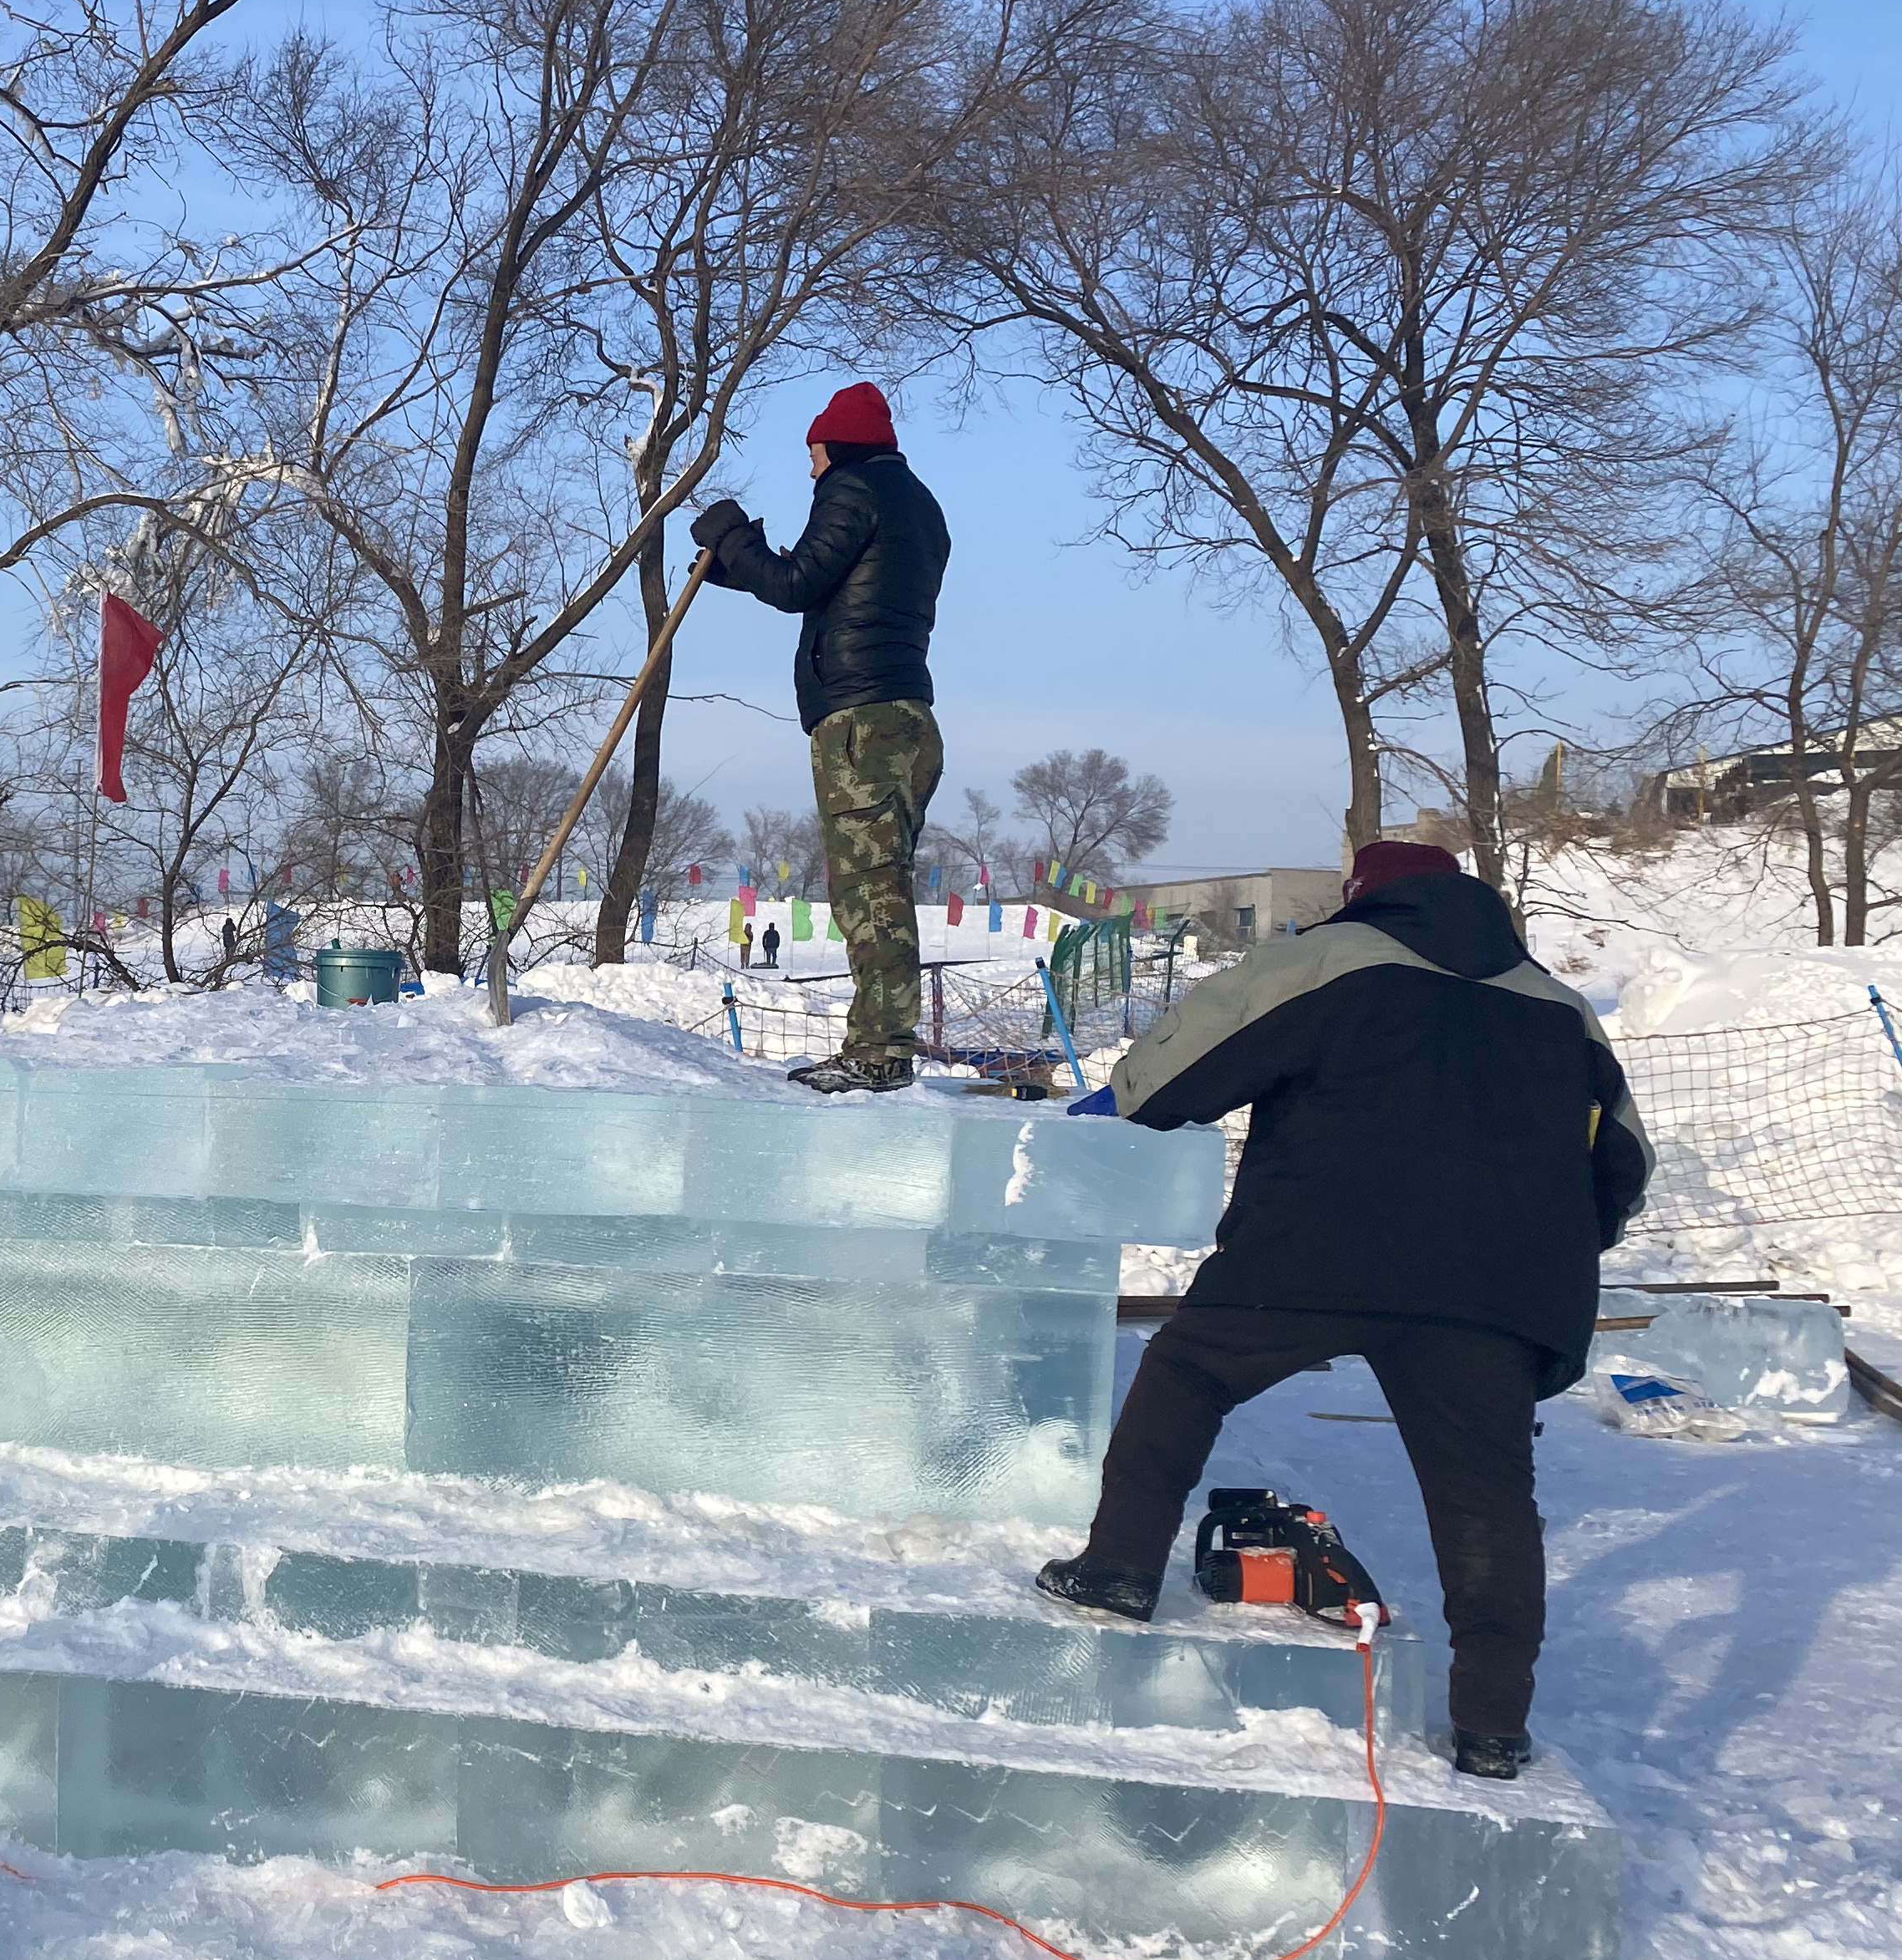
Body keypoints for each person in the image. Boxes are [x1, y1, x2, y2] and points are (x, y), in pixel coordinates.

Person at [1034, 840, 1652, 1779]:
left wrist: (1119, 1099)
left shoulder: (1325, 959)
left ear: (1367, 897)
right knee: (1486, 1497)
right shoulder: (1561, 1008)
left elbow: (1175, 1073)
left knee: (1190, 1372)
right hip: (1494, 1289)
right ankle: (1492, 1725)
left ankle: (1119, 1569)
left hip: (1317, 1251)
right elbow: (1624, 1167)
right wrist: (1537, 1255)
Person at [691, 382, 950, 1092]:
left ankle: (881, 1054)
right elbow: (833, 582)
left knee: (869, 890)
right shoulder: (916, 504)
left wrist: (732, 535)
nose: (811, 471)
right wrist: (736, 570)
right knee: (880, 882)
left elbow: (798, 584)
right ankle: (881, 1046)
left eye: (813, 456)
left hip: (860, 719)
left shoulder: (852, 490)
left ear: (837, 448)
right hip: (905, 718)